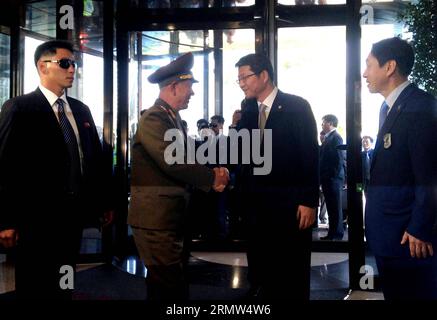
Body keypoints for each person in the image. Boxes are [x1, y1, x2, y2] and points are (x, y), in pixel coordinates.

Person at [0, 40, 113, 299]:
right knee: (34, 285)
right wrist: (5, 220)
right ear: (43, 66)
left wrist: (104, 203)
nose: (72, 69)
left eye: (74, 63)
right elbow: (4, 166)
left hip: (71, 219)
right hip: (35, 220)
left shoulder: (81, 110)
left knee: (65, 281)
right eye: (65, 63)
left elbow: (93, 160)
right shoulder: (19, 108)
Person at [127, 52, 229, 301]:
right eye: (189, 86)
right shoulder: (154, 118)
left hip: (169, 217)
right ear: (173, 86)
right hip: (156, 219)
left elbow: (187, 158)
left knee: (168, 283)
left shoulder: (173, 119)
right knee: (169, 286)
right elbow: (173, 161)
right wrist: (211, 178)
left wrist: (213, 170)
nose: (192, 93)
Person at [233, 53, 319, 300]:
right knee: (260, 271)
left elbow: (310, 155)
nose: (241, 83)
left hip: (289, 207)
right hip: (256, 207)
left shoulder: (297, 106)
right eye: (238, 79)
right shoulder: (248, 108)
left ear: (263, 75)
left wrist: (309, 200)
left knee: (290, 272)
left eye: (244, 77)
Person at [363, 37, 437, 300]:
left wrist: (420, 226)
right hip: (390, 234)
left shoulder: (419, 107)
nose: (365, 73)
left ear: (389, 66)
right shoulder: (391, 107)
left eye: (369, 65)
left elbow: (429, 176)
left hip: (410, 239)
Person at [319, 114, 346, 240]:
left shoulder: (336, 138)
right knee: (331, 207)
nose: (322, 125)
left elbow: (338, 160)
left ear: (330, 123)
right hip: (328, 179)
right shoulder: (329, 138)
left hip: (333, 179)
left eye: (323, 122)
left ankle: (337, 234)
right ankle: (332, 233)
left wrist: (332, 177)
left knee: (335, 207)